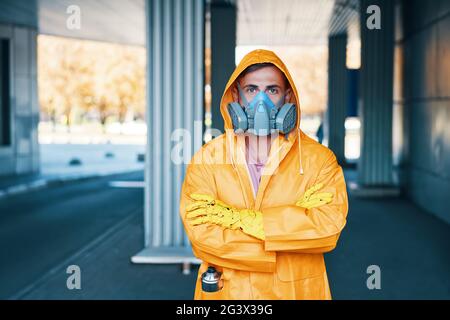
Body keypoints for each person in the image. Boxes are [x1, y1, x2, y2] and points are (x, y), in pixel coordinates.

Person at [179, 49, 348, 300]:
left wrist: (238, 220)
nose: (261, 101)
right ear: (236, 96)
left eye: (272, 90)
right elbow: (202, 236)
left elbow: (327, 229)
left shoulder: (318, 160)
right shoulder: (208, 159)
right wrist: (288, 236)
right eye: (251, 89)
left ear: (287, 97)